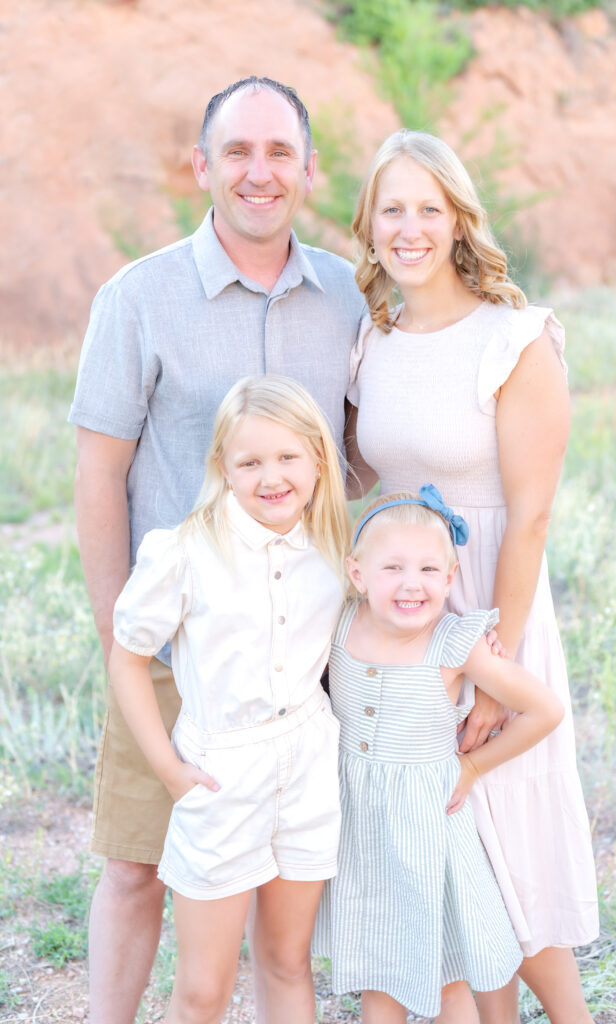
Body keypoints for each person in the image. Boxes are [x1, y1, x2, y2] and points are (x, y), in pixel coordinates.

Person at [68, 76, 363, 1024]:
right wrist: (124, 632)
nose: (259, 170)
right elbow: (97, 477)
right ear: (201, 165)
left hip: (304, 647)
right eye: (237, 150)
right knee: (134, 865)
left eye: (280, 152)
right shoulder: (140, 296)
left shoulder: (349, 296)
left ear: (310, 172)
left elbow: (359, 457)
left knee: (285, 900)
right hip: (172, 633)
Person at [344, 130, 599, 1024]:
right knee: (446, 857)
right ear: (368, 225)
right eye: (392, 208)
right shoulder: (371, 341)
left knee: (512, 843)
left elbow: (529, 516)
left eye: (427, 207)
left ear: (458, 220)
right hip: (404, 612)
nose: (409, 227)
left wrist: (496, 660)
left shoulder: (515, 339)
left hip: (493, 608)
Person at [108, 374, 350, 1023]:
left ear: (318, 459)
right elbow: (128, 657)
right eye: (250, 462)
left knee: (288, 962)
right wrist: (169, 770)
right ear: (222, 466)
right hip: (219, 778)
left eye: (287, 457)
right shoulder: (186, 552)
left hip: (306, 769)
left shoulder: (332, 548)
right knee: (204, 989)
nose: (271, 477)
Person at [313, 488, 564, 1024]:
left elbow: (545, 710)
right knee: (380, 976)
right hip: (361, 832)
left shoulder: (454, 643)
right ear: (357, 574)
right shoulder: (338, 626)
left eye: (430, 568)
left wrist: (472, 766)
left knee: (446, 980)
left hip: (429, 832)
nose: (412, 583)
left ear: (449, 580)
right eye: (393, 568)